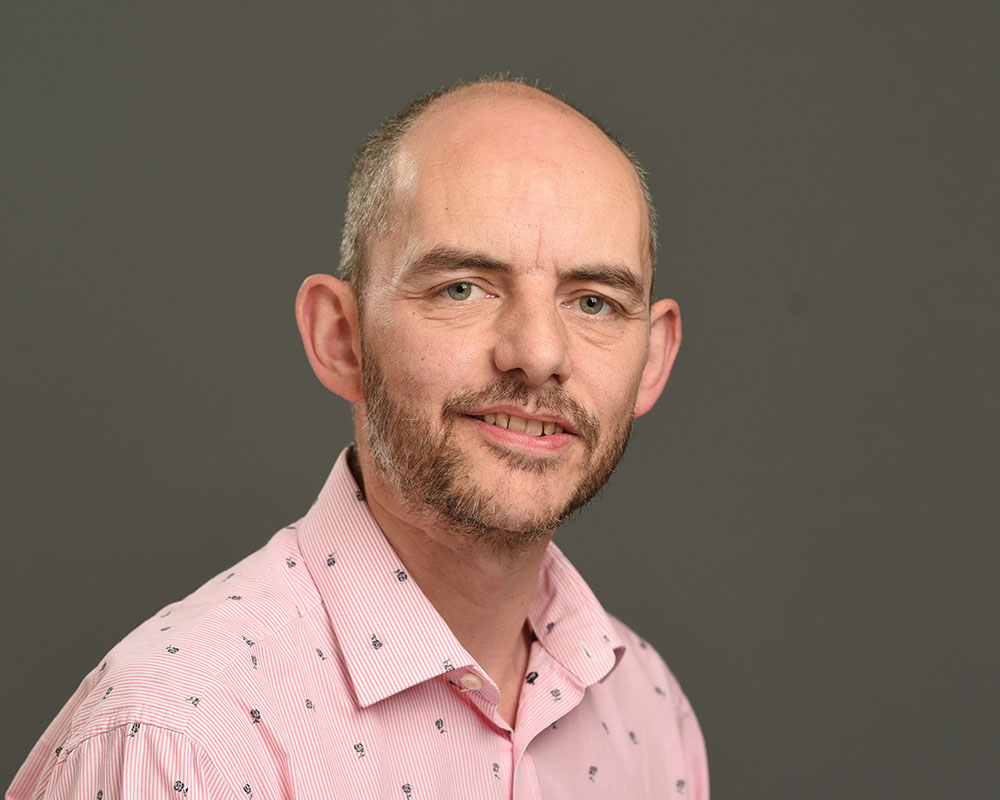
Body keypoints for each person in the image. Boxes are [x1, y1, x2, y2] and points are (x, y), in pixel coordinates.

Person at [7, 77, 707, 799]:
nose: (538, 351)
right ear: (341, 338)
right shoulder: (177, 740)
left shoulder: (648, 712)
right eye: (463, 287)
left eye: (594, 302)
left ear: (651, 360)